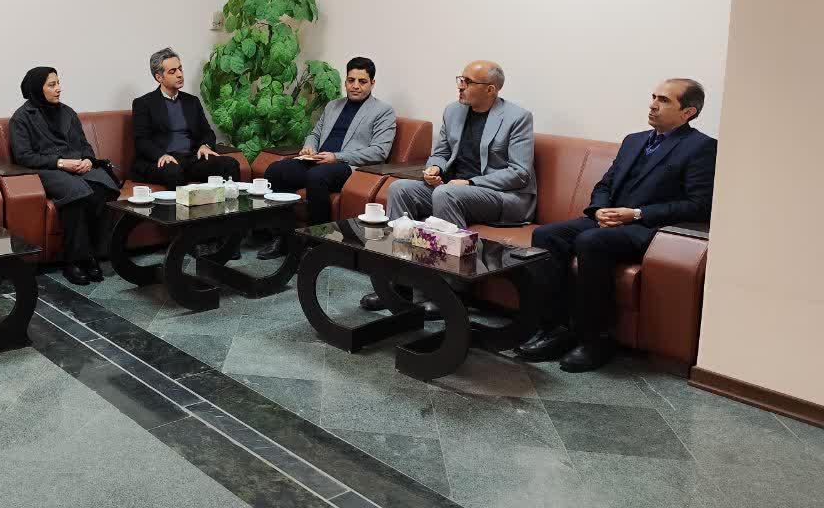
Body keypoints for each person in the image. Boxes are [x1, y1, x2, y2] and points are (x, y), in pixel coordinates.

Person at [516, 79, 716, 372]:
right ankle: (555, 328)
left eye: (664, 100)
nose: (653, 105)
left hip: (647, 229)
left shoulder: (701, 147)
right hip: (609, 220)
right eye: (653, 97)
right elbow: (605, 184)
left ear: (688, 112)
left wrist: (634, 214)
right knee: (547, 235)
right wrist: (599, 210)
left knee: (590, 242)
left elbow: (698, 205)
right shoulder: (634, 140)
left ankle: (595, 339)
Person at [361, 60, 536, 312]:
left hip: (502, 196)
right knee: (401, 189)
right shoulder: (453, 111)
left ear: (491, 89)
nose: (460, 86)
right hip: (454, 189)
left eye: (468, 82)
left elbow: (520, 173)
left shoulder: (517, 118)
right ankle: (398, 284)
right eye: (460, 80)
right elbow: (441, 153)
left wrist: (471, 181)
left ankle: (451, 293)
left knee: (447, 193)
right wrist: (435, 168)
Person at [257, 57, 396, 259]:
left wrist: (336, 157)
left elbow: (379, 151)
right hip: (317, 161)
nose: (355, 86)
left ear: (372, 83)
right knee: (276, 171)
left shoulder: (383, 111)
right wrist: (309, 147)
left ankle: (315, 244)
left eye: (362, 81)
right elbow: (315, 133)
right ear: (345, 81)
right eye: (351, 80)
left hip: (348, 166)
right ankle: (283, 238)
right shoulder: (333, 106)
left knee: (317, 177)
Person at [10, 67, 119, 286]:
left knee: (102, 189)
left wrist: (88, 159)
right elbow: (24, 156)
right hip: (48, 170)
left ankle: (92, 255)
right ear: (37, 89)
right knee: (77, 195)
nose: (59, 88)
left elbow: (84, 144)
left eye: (58, 83)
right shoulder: (21, 118)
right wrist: (60, 163)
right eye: (52, 85)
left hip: (77, 165)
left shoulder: (68, 112)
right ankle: (73, 261)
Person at [131, 47, 241, 187]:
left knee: (230, 164)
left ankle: (232, 202)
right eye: (172, 71)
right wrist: (161, 155)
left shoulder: (192, 101)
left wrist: (205, 146)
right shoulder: (143, 103)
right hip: (164, 160)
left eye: (180, 69)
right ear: (159, 77)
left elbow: (207, 132)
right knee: (173, 172)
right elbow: (142, 141)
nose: (179, 74)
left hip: (191, 159)